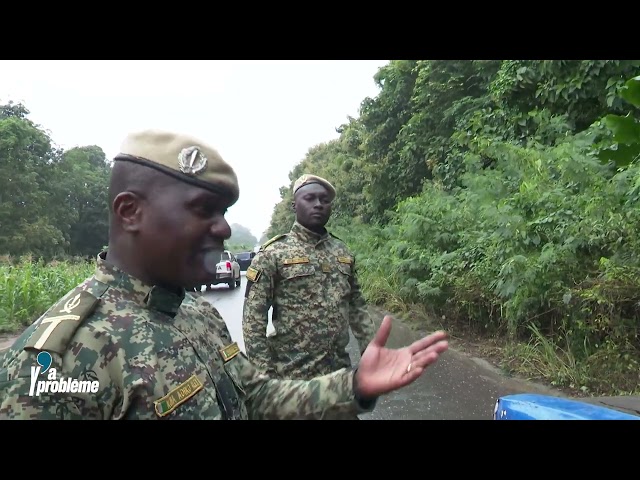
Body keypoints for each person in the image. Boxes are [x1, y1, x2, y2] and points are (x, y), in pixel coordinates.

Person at [0, 129, 448, 420]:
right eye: (204, 211)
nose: (225, 229)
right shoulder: (52, 362)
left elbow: (254, 397)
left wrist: (354, 385)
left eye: (224, 212)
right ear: (131, 212)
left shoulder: (197, 313)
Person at [242, 174, 380, 419]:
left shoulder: (342, 251)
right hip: (293, 381)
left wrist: (372, 354)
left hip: (338, 378)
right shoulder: (274, 254)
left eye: (324, 200)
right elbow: (253, 322)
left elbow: (357, 307)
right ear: (295, 205)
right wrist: (265, 379)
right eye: (310, 198)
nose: (318, 204)